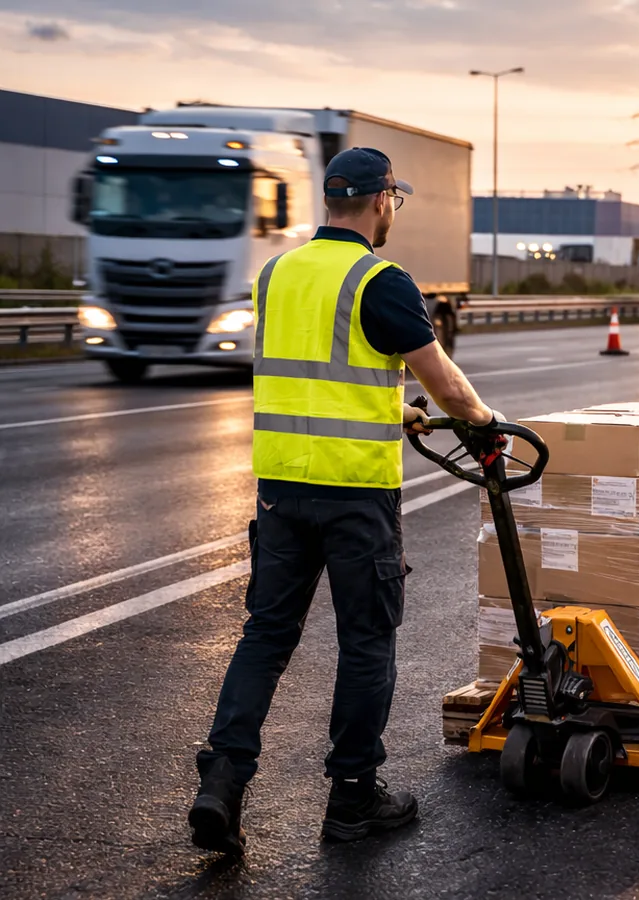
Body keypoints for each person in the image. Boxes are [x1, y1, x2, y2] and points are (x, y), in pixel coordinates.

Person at [189, 147, 501, 855]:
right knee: (365, 644)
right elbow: (447, 384)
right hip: (356, 494)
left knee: (266, 637)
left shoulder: (277, 274)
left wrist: (395, 412)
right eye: (396, 201)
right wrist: (484, 428)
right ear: (382, 200)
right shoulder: (379, 280)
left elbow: (314, 377)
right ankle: (353, 799)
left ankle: (222, 783)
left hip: (280, 488)